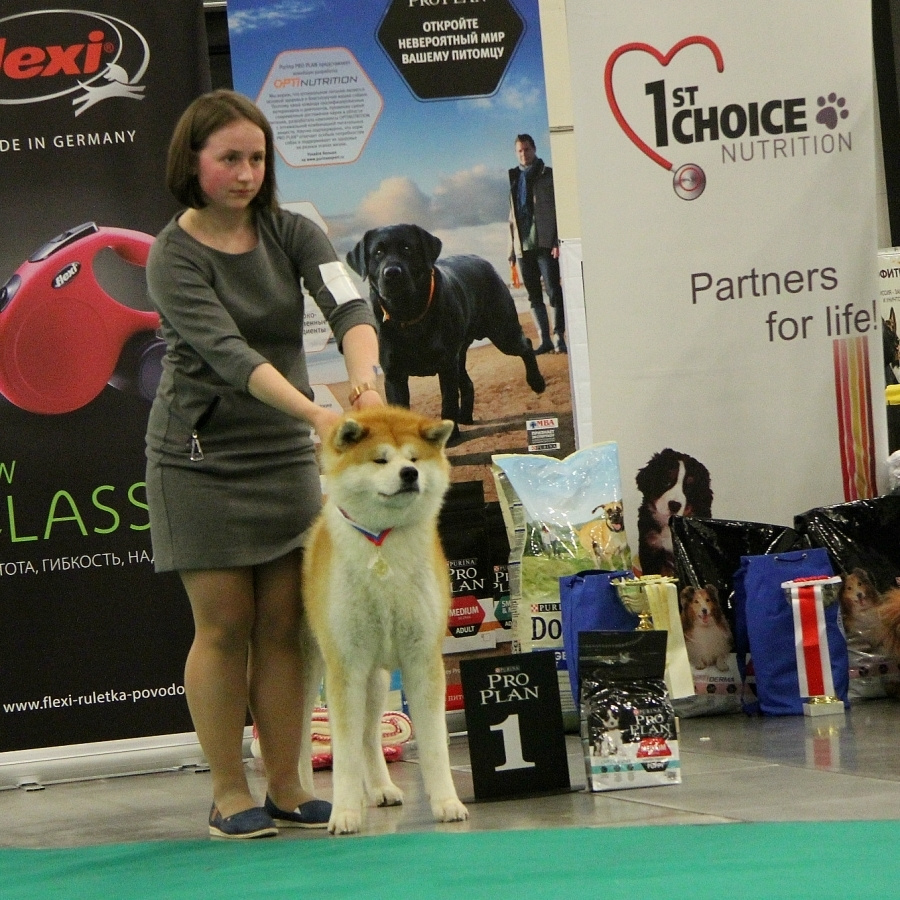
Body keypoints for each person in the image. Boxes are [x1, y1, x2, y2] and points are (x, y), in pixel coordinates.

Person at [144, 89, 382, 839]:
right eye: (230, 160)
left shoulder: (293, 231)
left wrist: (366, 383)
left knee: (287, 626)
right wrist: (318, 413)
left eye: (257, 158)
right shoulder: (171, 255)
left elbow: (350, 305)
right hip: (201, 459)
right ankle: (226, 792)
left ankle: (286, 783)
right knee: (225, 626)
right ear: (193, 162)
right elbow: (229, 353)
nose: (246, 173)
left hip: (283, 456)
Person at [508, 133, 567, 354]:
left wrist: (557, 240)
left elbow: (562, 209)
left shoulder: (548, 175)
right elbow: (511, 218)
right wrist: (511, 251)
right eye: (520, 151)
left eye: (527, 149)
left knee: (553, 291)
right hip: (523, 247)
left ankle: (558, 336)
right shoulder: (513, 179)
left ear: (534, 149)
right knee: (533, 295)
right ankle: (544, 340)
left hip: (546, 243)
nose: (524, 154)